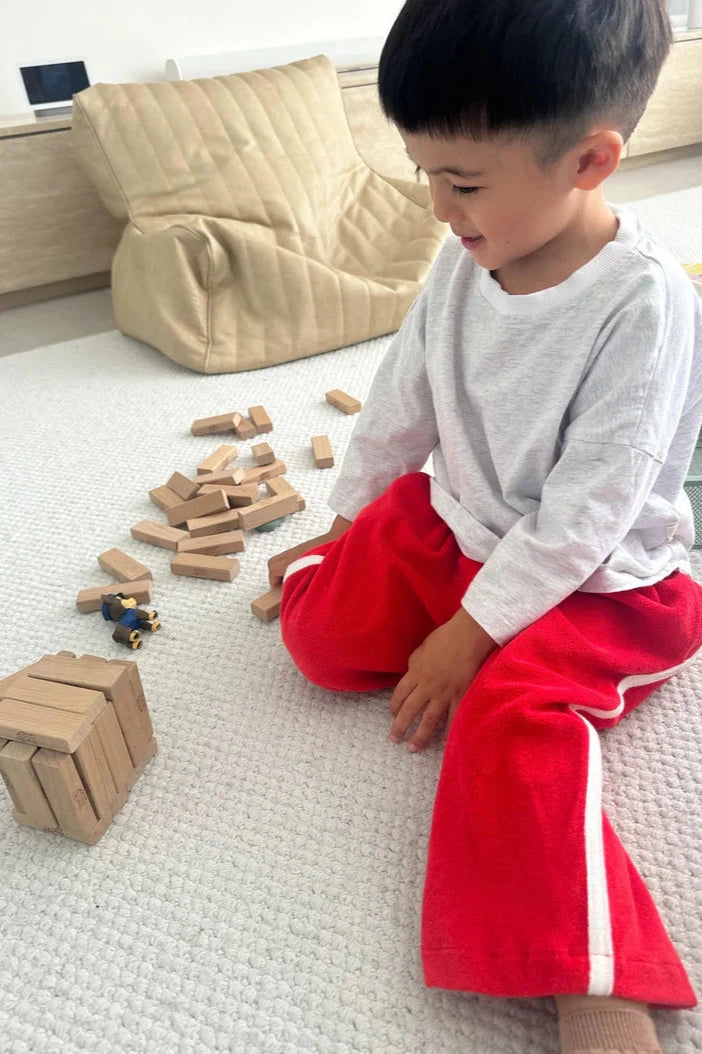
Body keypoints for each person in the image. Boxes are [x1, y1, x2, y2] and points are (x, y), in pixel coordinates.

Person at [269, 1, 702, 1050]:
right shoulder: (467, 251)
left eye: (461, 181)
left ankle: (595, 986)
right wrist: (345, 524)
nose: (435, 204)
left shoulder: (644, 307)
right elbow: (402, 396)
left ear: (590, 160)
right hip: (466, 531)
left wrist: (476, 633)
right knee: (318, 639)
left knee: (507, 722)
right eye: (424, 171)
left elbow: (589, 516)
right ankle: (404, 593)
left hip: (602, 584)